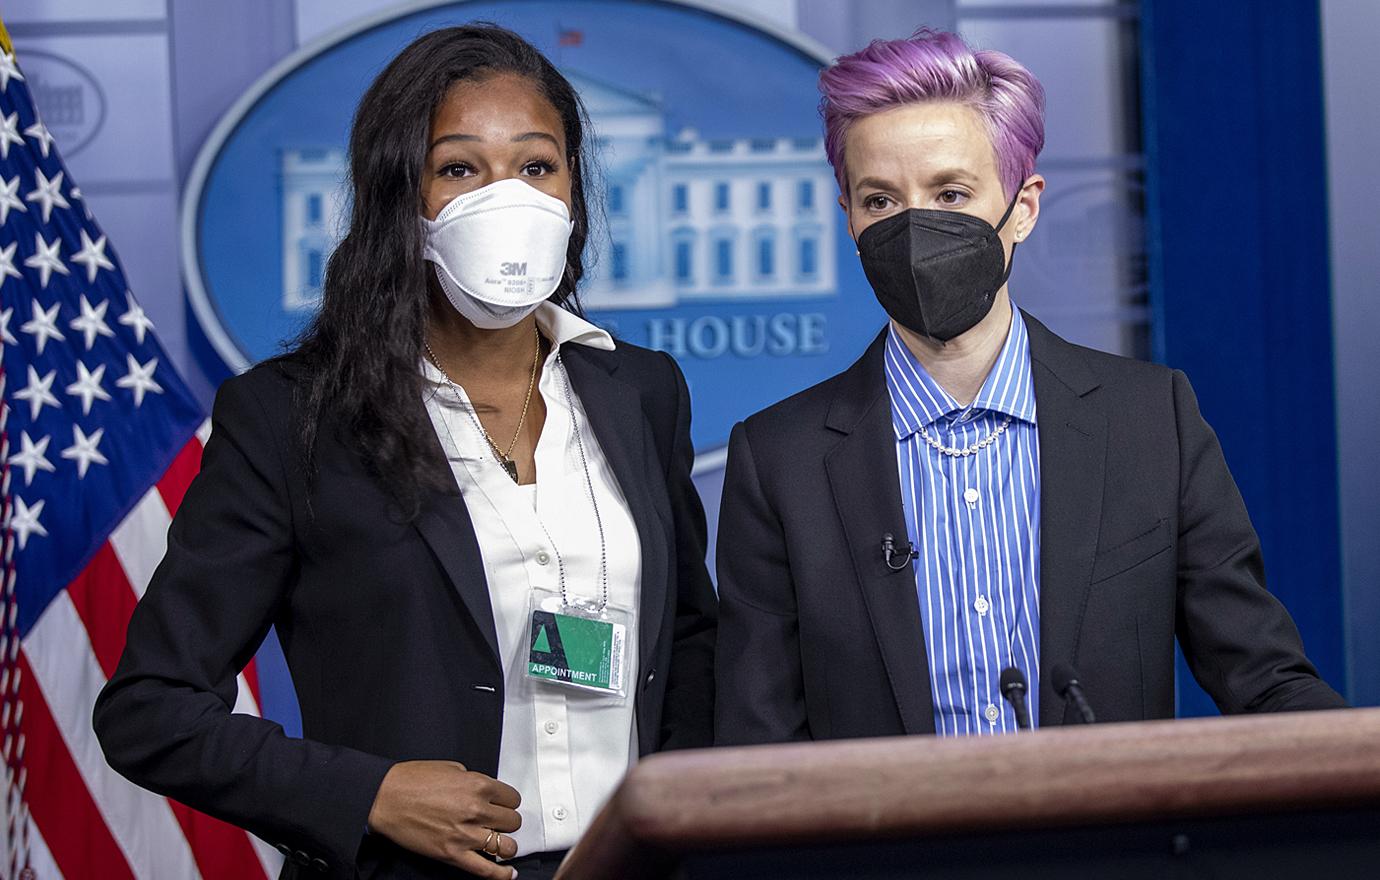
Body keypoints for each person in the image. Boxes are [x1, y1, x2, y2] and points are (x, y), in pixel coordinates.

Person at [94, 25, 716, 880]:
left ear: (574, 190)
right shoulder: (290, 416)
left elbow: (688, 642)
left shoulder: (641, 391)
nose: (510, 199)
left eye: (538, 166)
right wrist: (369, 794)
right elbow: (149, 711)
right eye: (459, 168)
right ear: (401, 197)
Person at [713, 29, 1344, 746]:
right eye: (881, 200)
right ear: (848, 218)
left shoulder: (1150, 422)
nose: (917, 226)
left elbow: (1264, 679)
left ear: (1025, 206)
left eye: (951, 192)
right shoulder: (778, 459)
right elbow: (756, 743)